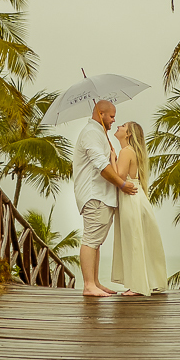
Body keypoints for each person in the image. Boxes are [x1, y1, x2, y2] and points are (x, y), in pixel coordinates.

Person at [72, 100, 138, 297]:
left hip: (101, 196)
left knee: (96, 241)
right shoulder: (92, 133)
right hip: (95, 195)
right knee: (91, 240)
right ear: (100, 114)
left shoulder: (99, 134)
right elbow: (100, 165)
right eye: (111, 116)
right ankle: (89, 285)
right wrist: (122, 184)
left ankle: (95, 282)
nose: (114, 119)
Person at [110, 121, 168, 296]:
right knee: (137, 239)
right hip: (136, 197)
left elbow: (119, 176)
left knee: (133, 240)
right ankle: (143, 282)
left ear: (128, 134)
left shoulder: (126, 152)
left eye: (122, 126)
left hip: (130, 199)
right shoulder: (130, 151)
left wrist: (112, 160)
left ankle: (137, 286)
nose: (118, 126)